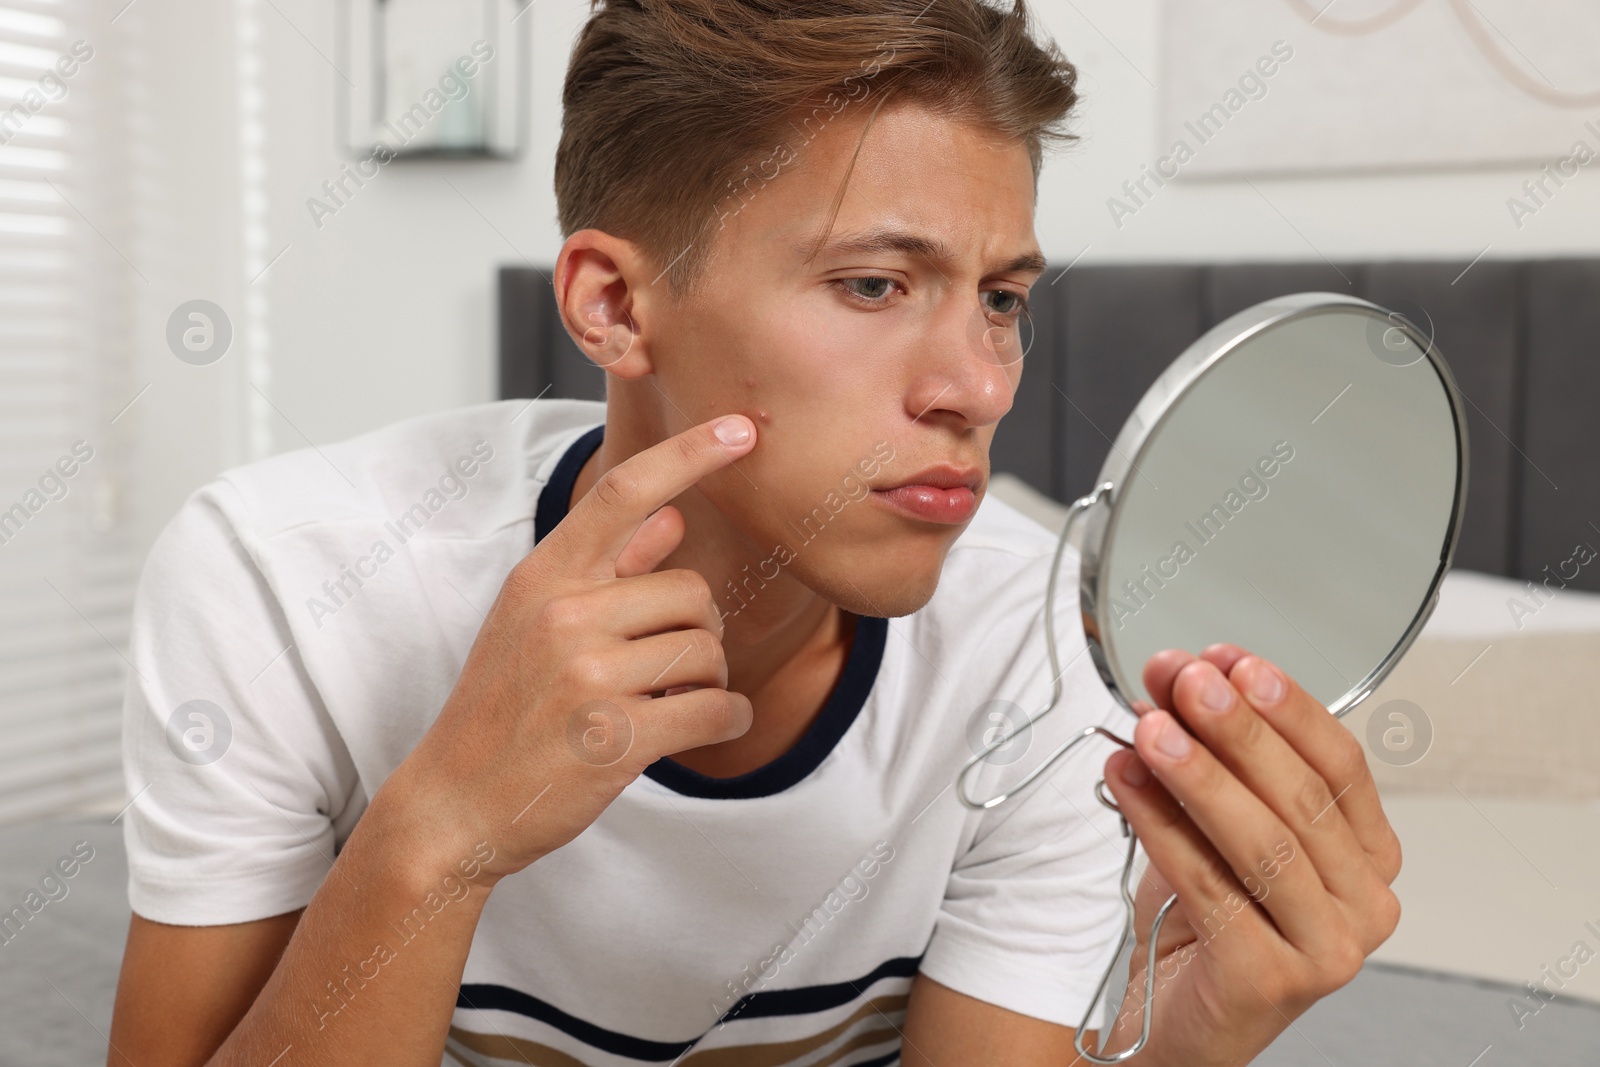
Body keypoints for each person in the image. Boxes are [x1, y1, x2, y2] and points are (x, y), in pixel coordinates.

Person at [108, 2, 1401, 1064]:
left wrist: (1173, 1055)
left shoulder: (1046, 647)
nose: (980, 386)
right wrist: (439, 832)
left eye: (1000, 299)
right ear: (615, 304)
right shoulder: (280, 577)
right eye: (874, 285)